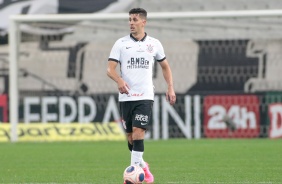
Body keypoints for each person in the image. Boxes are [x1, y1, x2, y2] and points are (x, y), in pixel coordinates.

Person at [107, 8, 176, 184]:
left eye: (135, 19)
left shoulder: (154, 44)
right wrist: (119, 80)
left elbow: (165, 66)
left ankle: (132, 176)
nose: (131, 22)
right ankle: (143, 166)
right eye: (130, 19)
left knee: (139, 132)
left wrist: (170, 88)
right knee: (130, 137)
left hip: (145, 96)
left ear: (143, 22)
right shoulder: (121, 43)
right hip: (126, 97)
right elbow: (110, 69)